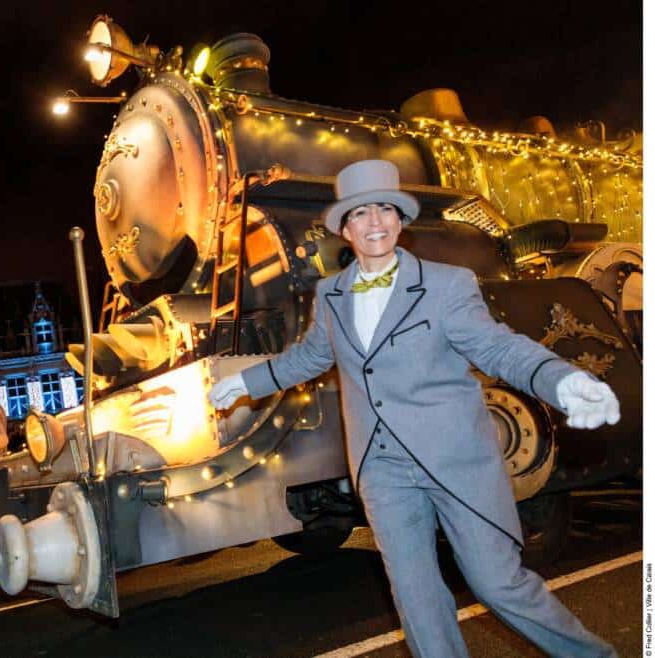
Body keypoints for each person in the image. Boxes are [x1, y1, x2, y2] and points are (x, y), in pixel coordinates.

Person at [209, 159, 621, 658]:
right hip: (382, 470)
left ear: (401, 221)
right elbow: (313, 356)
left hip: (454, 461)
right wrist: (244, 382)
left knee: (499, 585)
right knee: (417, 599)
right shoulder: (332, 294)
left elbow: (498, 348)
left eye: (386, 209)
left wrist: (564, 380)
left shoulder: (448, 284)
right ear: (344, 227)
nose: (375, 222)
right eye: (361, 213)